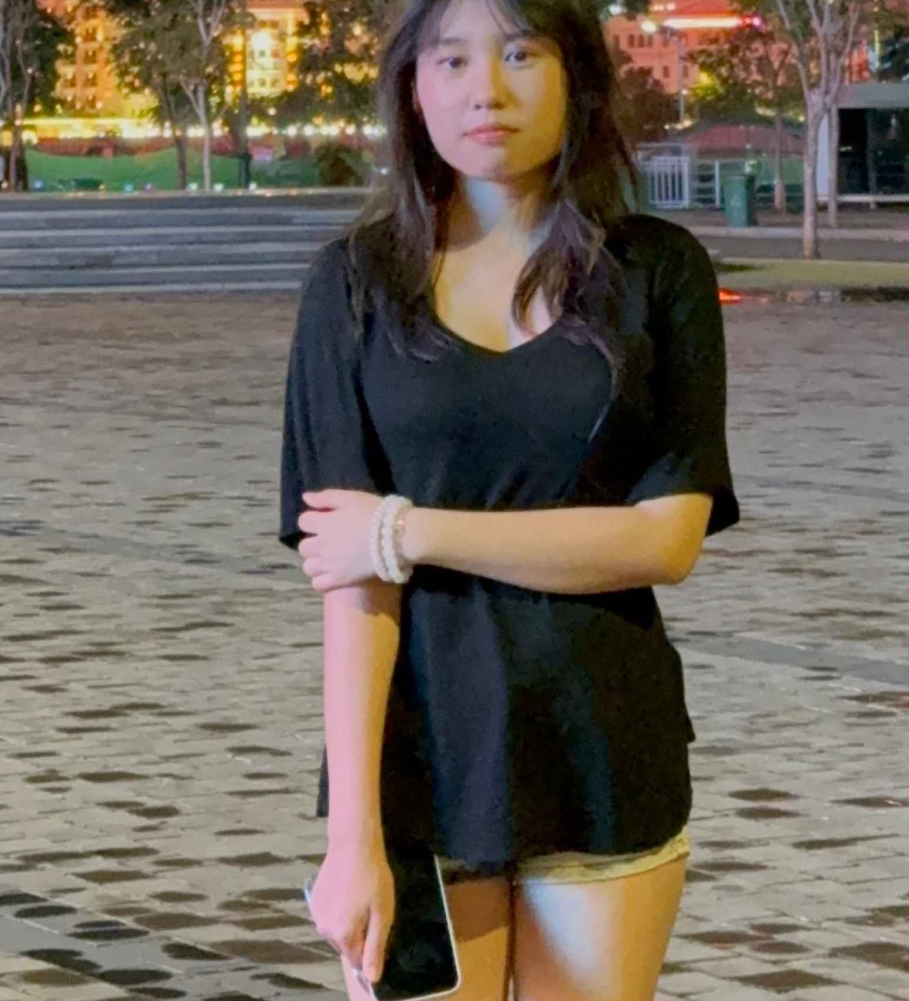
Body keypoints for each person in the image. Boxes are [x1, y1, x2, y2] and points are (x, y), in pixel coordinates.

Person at [279, 0, 740, 998]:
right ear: (413, 87)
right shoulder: (354, 288)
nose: (485, 90)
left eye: (521, 54)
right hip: (419, 772)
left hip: (601, 754)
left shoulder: (657, 273)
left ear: (576, 76)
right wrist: (351, 834)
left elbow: (664, 539)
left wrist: (406, 530)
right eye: (451, 60)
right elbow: (351, 583)